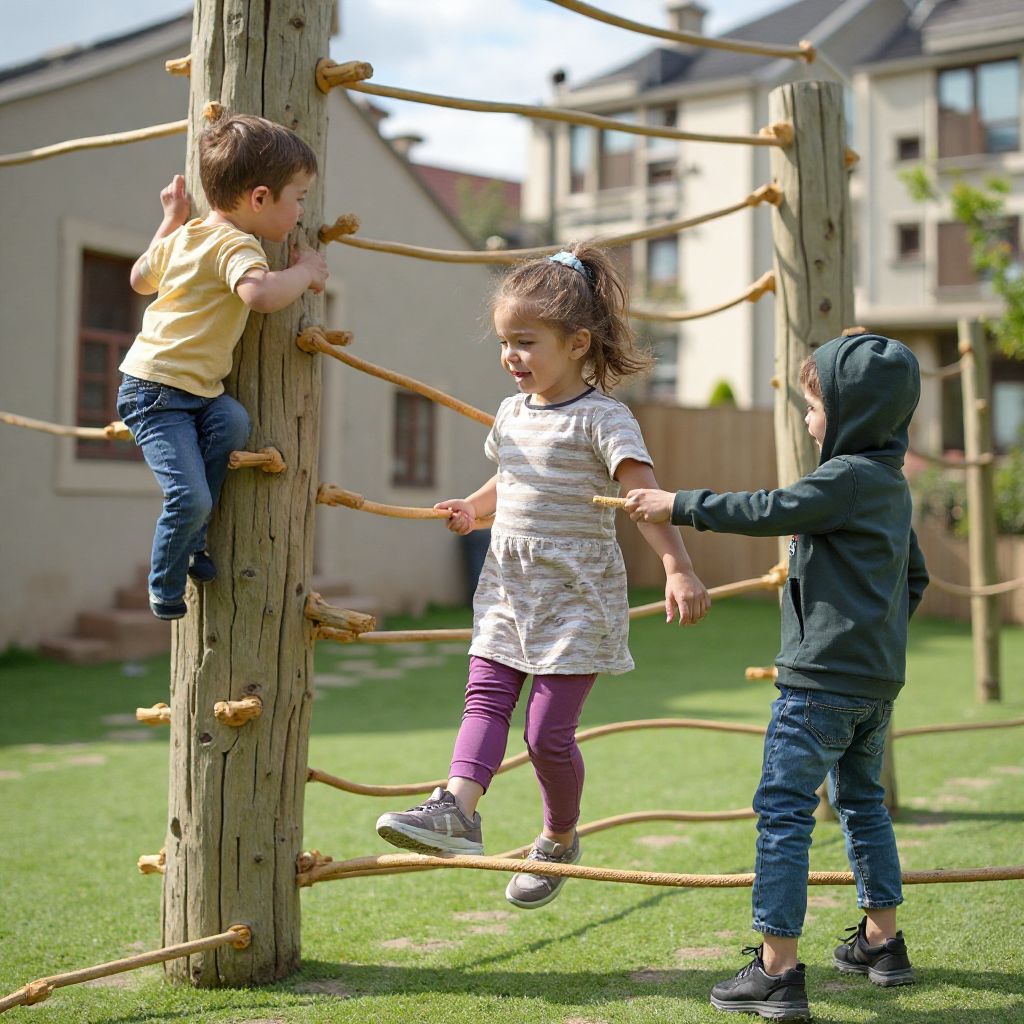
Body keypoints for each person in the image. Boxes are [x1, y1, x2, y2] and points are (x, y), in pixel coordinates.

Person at [375, 243, 710, 909]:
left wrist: (678, 566)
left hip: (576, 596)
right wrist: (474, 507)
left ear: (578, 342)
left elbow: (643, 497)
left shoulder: (604, 418)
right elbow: (511, 477)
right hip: (508, 587)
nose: (512, 357)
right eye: (505, 343)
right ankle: (457, 809)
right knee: (484, 701)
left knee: (546, 735)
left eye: (526, 342)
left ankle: (557, 838)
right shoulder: (511, 413)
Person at [625, 331, 928, 1020]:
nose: (810, 420)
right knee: (862, 802)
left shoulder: (845, 477)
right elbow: (917, 578)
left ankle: (777, 970)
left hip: (818, 684)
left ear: (850, 410)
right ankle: (883, 943)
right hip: (874, 686)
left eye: (815, 407)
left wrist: (677, 504)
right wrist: (873, 640)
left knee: (785, 812)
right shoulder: (888, 485)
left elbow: (769, 510)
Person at [118, 114, 329, 620]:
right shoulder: (237, 244)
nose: (301, 211)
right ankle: (165, 585)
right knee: (188, 496)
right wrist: (302, 271)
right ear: (259, 198)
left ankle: (193, 543)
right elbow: (258, 294)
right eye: (297, 197)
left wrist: (170, 219)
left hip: (195, 391)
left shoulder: (186, 236)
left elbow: (138, 278)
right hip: (156, 391)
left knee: (232, 420)